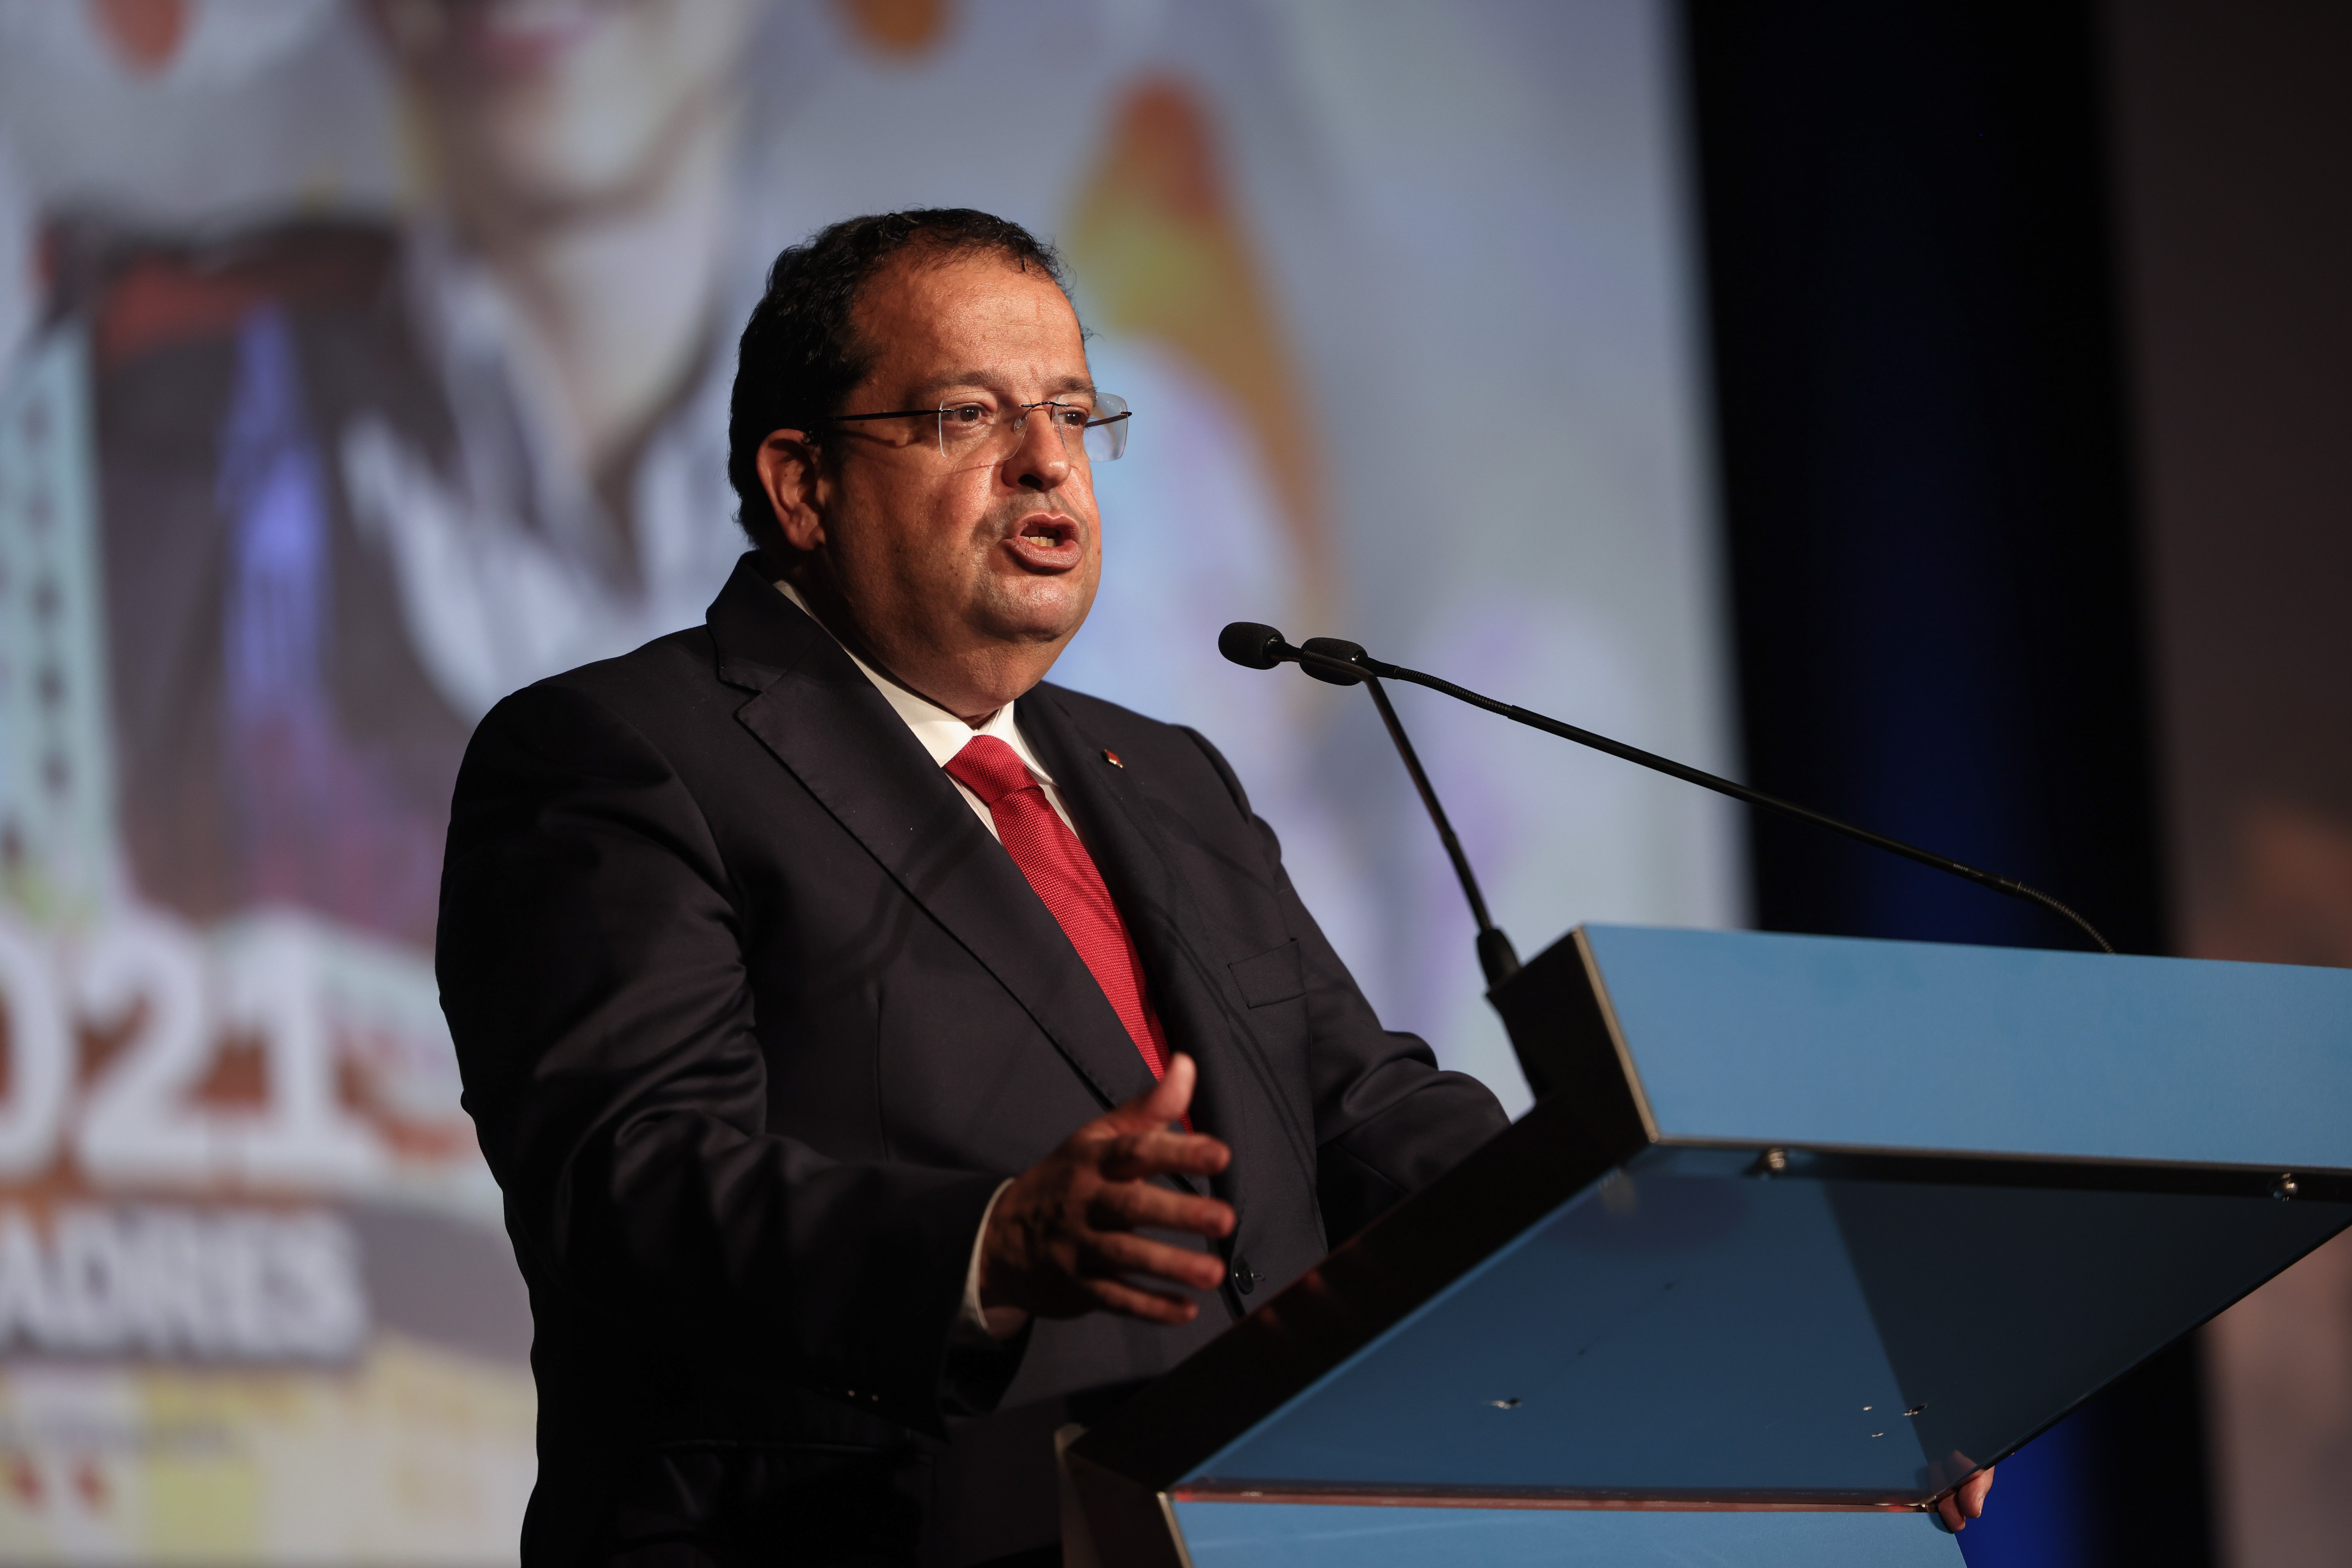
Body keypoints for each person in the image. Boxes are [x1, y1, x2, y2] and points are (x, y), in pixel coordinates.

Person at [436, 209, 1510, 1566]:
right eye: (968, 415)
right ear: (803, 484)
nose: (1048, 460)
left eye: (1072, 412)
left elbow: (1358, 1113)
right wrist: (990, 1245)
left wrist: (1609, 1198)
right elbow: (632, 1186)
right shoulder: (621, 755)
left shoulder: (1168, 776)